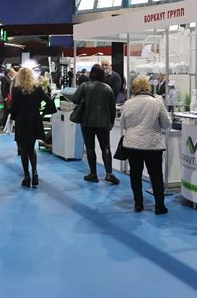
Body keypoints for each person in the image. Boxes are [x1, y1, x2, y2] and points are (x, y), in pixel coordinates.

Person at [120, 76, 171, 214]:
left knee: (135, 174)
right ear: (148, 86)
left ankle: (138, 204)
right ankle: (159, 206)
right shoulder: (157, 102)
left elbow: (123, 124)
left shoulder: (128, 103)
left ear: (134, 88)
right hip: (152, 145)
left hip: (132, 145)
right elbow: (166, 124)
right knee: (156, 175)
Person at [71, 64, 118, 184]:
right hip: (104, 123)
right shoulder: (108, 88)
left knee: (90, 148)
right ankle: (109, 173)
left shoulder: (84, 86)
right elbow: (112, 108)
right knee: (105, 147)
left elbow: (75, 99)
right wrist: (111, 123)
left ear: (91, 73)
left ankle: (93, 174)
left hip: (87, 122)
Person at [9, 67, 52, 188]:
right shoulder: (37, 88)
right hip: (35, 121)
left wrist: (14, 117)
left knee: (24, 150)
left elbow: (13, 108)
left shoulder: (16, 90)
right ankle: (35, 173)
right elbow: (49, 101)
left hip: (22, 121)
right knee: (31, 149)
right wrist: (42, 113)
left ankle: (26, 176)